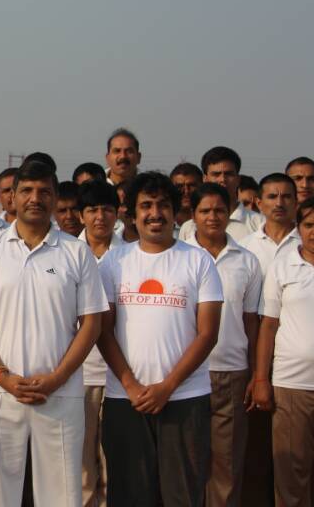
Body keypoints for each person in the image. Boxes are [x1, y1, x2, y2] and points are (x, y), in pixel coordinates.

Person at [0, 159, 107, 506]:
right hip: (0, 390)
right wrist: (2, 376)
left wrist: (58, 377)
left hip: (60, 392)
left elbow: (91, 324)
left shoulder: (76, 251)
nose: (35, 198)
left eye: (44, 191)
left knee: (62, 495)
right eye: (26, 190)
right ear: (11, 196)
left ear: (55, 197)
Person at [97, 172, 223, 507]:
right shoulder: (113, 262)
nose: (155, 213)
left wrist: (168, 387)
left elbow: (208, 333)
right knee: (129, 495)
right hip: (126, 399)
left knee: (182, 494)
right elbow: (103, 330)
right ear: (132, 214)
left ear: (175, 211)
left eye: (163, 205)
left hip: (185, 398)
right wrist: (130, 385)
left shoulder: (199, 260)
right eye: (146, 205)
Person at [183, 183, 262, 507]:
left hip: (231, 371)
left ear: (230, 212)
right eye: (205, 211)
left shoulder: (247, 260)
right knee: (187, 462)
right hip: (185, 373)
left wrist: (256, 373)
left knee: (226, 464)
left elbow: (251, 322)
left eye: (219, 210)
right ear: (193, 214)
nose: (212, 217)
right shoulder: (178, 256)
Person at [239, 173, 299, 505]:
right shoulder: (246, 248)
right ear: (258, 203)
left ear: (297, 201)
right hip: (254, 356)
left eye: (286, 196)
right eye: (272, 197)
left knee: (296, 453)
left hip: (295, 361)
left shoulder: (306, 243)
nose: (279, 203)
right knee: (256, 449)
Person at [251, 197, 314, 506]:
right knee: (292, 471)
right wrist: (261, 379)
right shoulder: (283, 265)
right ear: (298, 228)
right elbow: (268, 325)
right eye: (309, 225)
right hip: (291, 384)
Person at [77, 179, 122, 507]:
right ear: (82, 215)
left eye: (107, 209)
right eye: (92, 210)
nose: (100, 217)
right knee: (80, 463)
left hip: (119, 375)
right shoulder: (68, 253)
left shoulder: (130, 255)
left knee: (114, 460)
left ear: (117, 214)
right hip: (77, 373)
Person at [179, 147, 264, 242]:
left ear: (238, 179)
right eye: (216, 174)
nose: (222, 179)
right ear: (205, 179)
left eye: (228, 174)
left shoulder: (259, 224)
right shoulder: (188, 228)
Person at [170, 163, 203, 227]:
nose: (186, 191)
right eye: (179, 186)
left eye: (192, 186)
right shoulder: (162, 225)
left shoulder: (212, 225)